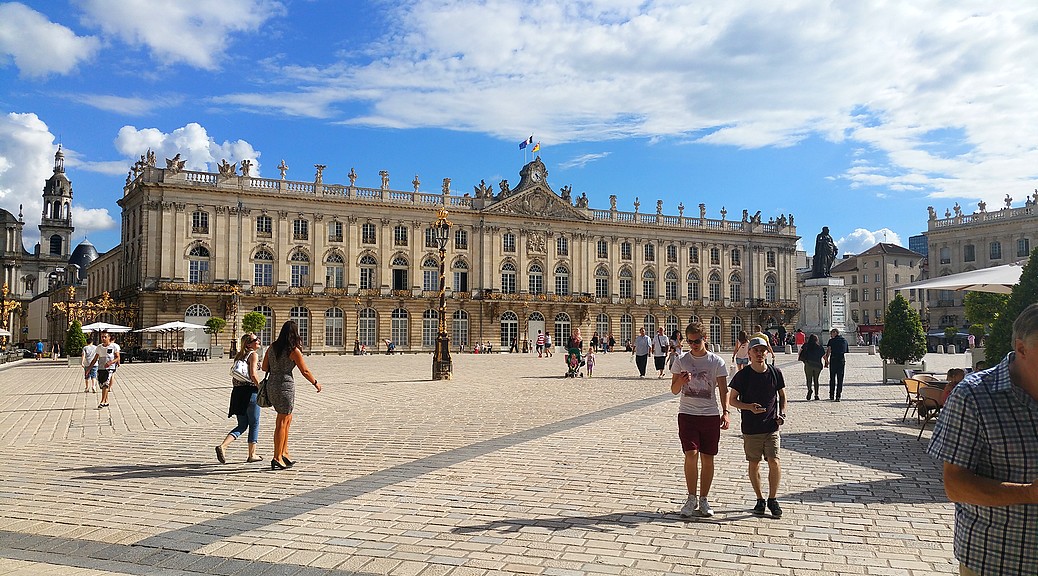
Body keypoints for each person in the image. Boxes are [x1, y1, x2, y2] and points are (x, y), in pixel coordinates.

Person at [927, 303, 1038, 576]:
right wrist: (1029, 493)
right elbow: (955, 485)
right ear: (1021, 348)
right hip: (999, 559)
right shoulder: (974, 396)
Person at [670, 321, 730, 518]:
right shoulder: (681, 361)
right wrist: (681, 380)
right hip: (687, 414)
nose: (693, 345)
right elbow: (674, 390)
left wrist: (726, 411)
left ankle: (704, 499)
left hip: (710, 415)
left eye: (696, 341)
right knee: (691, 454)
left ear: (705, 339)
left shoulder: (716, 362)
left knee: (708, 458)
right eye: (689, 341)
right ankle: (691, 497)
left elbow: (723, 389)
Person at [727, 337, 786, 518]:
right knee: (754, 463)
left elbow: (782, 396)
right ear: (749, 354)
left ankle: (773, 499)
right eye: (756, 351)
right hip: (751, 428)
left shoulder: (775, 373)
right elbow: (732, 400)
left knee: (774, 461)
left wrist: (782, 414)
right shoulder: (742, 376)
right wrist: (749, 407)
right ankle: (760, 499)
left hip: (771, 426)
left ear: (766, 353)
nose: (759, 354)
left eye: (762, 351)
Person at [262, 320, 322, 471]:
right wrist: (315, 383)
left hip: (272, 384)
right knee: (282, 422)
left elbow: (264, 367)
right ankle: (277, 457)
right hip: (285, 386)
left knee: (287, 419)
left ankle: (284, 453)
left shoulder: (272, 347)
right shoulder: (293, 350)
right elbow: (305, 371)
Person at [217, 333, 263, 464]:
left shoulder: (239, 355)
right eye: (255, 339)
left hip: (237, 393)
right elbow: (253, 374)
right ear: (249, 344)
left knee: (242, 424)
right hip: (250, 393)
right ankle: (252, 454)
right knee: (254, 424)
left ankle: (223, 446)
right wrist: (260, 387)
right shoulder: (253, 354)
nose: (258, 340)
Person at [84, 331, 120, 409]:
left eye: (105, 337)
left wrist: (111, 362)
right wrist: (89, 368)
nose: (103, 338)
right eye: (102, 337)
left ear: (109, 337)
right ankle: (106, 401)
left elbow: (118, 357)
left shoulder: (114, 346)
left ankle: (102, 401)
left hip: (110, 368)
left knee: (105, 384)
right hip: (101, 367)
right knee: (101, 384)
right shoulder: (99, 347)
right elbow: (95, 358)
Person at [823, 328, 849, 401]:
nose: (831, 335)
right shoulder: (844, 340)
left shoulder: (832, 341)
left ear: (835, 333)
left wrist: (826, 362)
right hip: (841, 360)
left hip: (834, 359)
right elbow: (845, 350)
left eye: (831, 334)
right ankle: (838, 396)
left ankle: (831, 395)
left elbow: (828, 351)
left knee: (832, 378)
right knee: (840, 379)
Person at [798, 334, 825, 400]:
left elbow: (800, 352)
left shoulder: (806, 345)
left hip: (808, 364)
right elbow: (824, 356)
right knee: (816, 380)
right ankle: (816, 395)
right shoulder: (820, 347)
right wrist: (826, 362)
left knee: (808, 379)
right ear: (817, 340)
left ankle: (809, 389)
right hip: (817, 365)